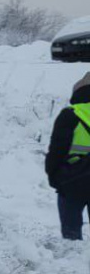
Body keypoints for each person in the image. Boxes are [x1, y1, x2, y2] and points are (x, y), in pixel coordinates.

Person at [45, 73, 90, 239]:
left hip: (73, 179)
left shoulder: (70, 114)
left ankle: (73, 257)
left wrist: (53, 177)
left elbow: (57, 150)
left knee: (71, 234)